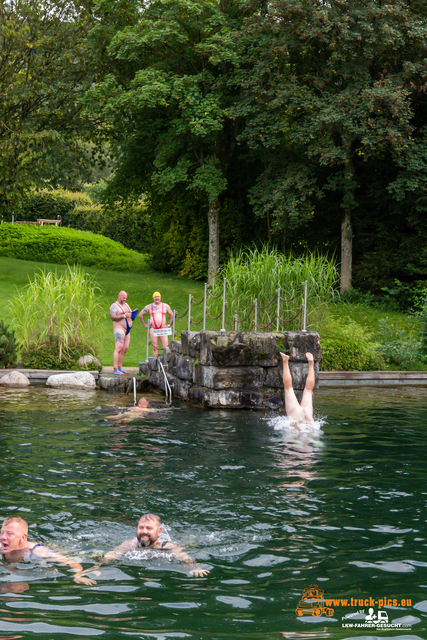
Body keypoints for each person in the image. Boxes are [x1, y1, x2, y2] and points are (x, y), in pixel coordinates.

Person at [80, 514, 209, 578]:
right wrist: (94, 568)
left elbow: (184, 557)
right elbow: (110, 556)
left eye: (149, 528)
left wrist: (194, 567)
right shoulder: (130, 544)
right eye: (141, 527)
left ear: (159, 532)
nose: (144, 532)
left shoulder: (167, 546)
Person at [0, 516, 95, 586]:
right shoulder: (2, 546)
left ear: (23, 537)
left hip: (59, 550)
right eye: (2, 532)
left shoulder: (39, 552)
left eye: (9, 534)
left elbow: (73, 564)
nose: (3, 537)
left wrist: (78, 576)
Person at [280, 351, 315, 425]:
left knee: (308, 390)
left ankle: (311, 363)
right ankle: (285, 361)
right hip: (301, 418)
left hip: (302, 414)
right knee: (288, 388)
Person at [139, 292, 173, 357]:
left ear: (160, 297)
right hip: (153, 329)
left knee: (166, 347)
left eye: (158, 296)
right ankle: (155, 364)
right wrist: (145, 324)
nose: (156, 298)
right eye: (155, 297)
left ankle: (165, 363)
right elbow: (140, 315)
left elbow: (172, 315)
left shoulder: (165, 306)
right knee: (155, 348)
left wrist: (168, 325)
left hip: (163, 328)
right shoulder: (149, 306)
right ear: (153, 298)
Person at [110, 290, 134, 376]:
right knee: (119, 347)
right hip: (119, 328)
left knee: (125, 348)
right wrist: (124, 316)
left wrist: (133, 313)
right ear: (119, 296)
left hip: (127, 329)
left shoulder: (126, 305)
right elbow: (113, 317)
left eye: (126, 298)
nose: (124, 299)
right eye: (123, 298)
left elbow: (129, 313)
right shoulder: (114, 306)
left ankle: (120, 367)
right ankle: (115, 368)